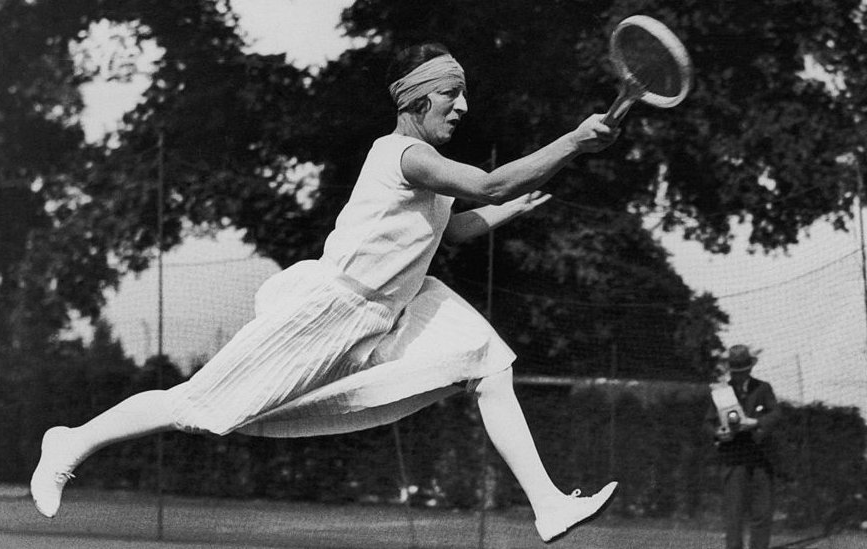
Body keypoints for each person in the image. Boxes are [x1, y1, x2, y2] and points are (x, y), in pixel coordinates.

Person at [31, 42, 619, 542]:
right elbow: (487, 184)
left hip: (394, 310)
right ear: (416, 98)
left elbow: (457, 227)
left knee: (491, 365)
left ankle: (548, 505)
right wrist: (571, 142)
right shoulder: (405, 155)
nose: (463, 105)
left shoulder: (431, 171)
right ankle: (71, 441)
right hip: (332, 310)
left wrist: (512, 208)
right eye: (451, 94)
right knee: (197, 409)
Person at [705, 345, 782, 549]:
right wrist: (719, 434)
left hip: (760, 459)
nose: (740, 375)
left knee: (762, 513)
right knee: (734, 515)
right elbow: (709, 422)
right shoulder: (721, 393)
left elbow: (776, 415)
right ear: (731, 370)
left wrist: (755, 423)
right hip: (733, 459)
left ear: (750, 368)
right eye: (736, 372)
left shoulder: (763, 389)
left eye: (744, 371)